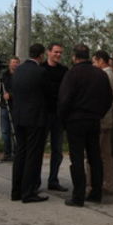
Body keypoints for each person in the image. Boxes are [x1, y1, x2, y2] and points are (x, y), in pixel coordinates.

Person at [58, 44, 113, 207]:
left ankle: (78, 196)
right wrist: (98, 114)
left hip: (75, 121)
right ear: (88, 56)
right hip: (94, 120)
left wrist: (63, 120)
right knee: (95, 157)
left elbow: (64, 100)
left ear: (74, 57)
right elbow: (108, 98)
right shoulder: (100, 75)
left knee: (77, 159)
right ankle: (96, 193)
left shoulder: (72, 74)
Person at [11, 44, 50, 203]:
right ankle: (28, 192)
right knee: (32, 155)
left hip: (19, 116)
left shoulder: (18, 70)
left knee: (20, 153)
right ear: (41, 56)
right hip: (35, 118)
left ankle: (16, 191)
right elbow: (47, 94)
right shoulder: (41, 72)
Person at [92, 50, 113, 195]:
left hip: (105, 120)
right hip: (110, 120)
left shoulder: (107, 77)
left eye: (94, 62)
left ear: (101, 61)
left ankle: (103, 182)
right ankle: (110, 182)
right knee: (109, 153)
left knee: (104, 153)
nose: (93, 65)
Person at [42, 43, 69, 192]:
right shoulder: (41, 69)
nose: (58, 55)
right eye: (56, 52)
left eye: (60, 52)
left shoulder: (64, 71)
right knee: (39, 148)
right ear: (48, 52)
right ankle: (34, 179)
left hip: (58, 115)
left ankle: (53, 180)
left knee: (57, 150)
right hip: (44, 114)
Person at [0, 56, 20, 162]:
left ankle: (16, 152)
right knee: (5, 131)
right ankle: (7, 152)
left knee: (15, 130)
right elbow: (1, 88)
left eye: (16, 62)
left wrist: (10, 95)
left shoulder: (20, 75)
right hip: (4, 106)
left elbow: (21, 90)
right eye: (13, 62)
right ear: (9, 64)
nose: (14, 64)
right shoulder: (4, 75)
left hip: (15, 106)